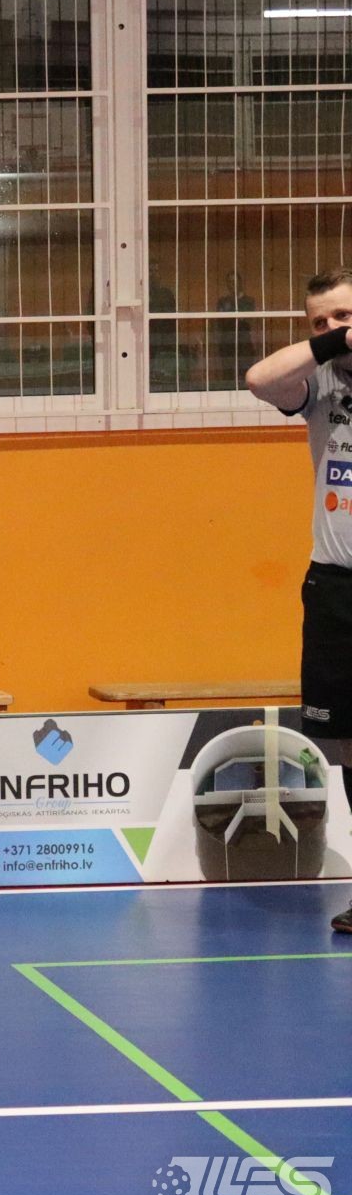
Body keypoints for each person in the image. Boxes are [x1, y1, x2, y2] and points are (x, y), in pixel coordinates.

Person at [243, 265, 352, 935]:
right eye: (320, 321)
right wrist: (333, 343)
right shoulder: (321, 385)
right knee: (349, 747)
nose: (332, 328)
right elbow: (260, 379)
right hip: (337, 586)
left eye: (343, 315)